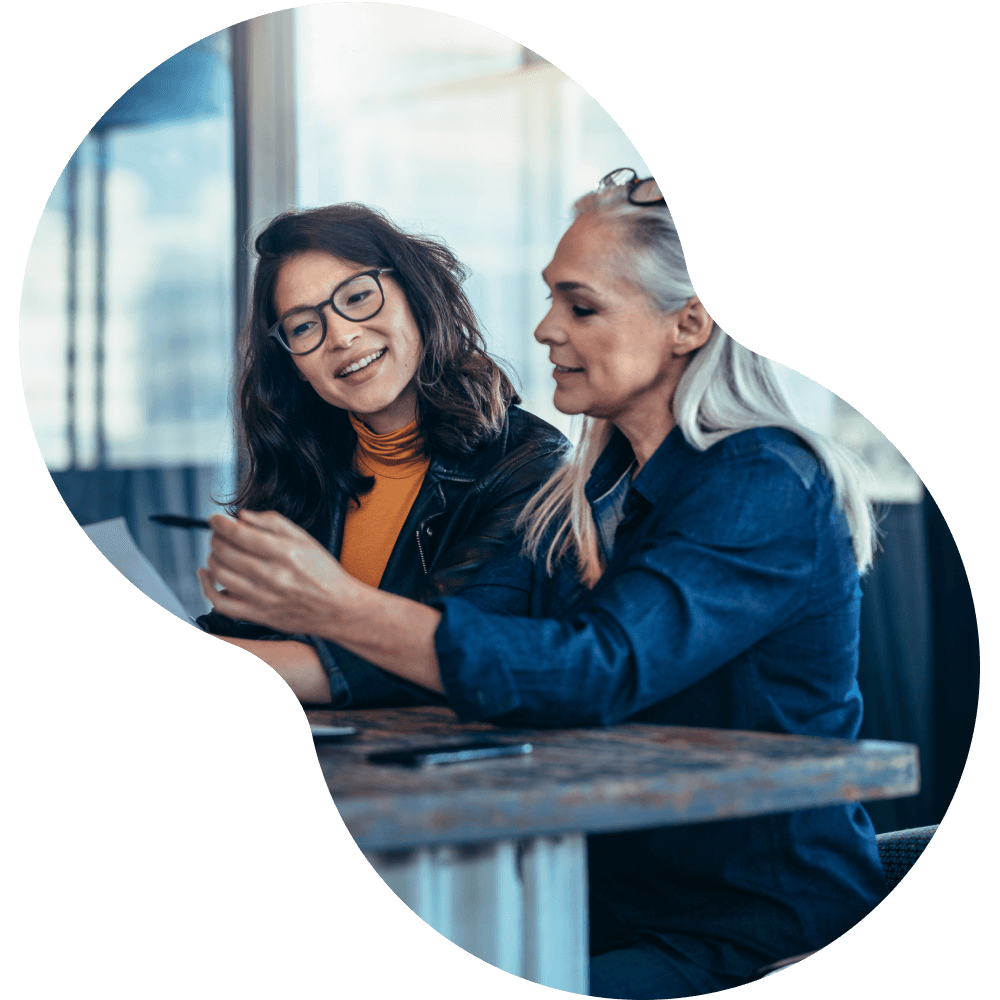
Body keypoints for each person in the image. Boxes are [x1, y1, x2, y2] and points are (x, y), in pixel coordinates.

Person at [198, 171, 887, 998]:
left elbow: (592, 669)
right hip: (611, 899)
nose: (545, 328)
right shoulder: (594, 492)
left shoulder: (764, 481)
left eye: (581, 306)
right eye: (303, 326)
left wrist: (333, 605)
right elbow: (475, 634)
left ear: (689, 322)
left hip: (741, 927)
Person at [197, 203, 570, 707]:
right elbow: (247, 629)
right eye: (304, 326)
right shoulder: (300, 466)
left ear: (415, 294)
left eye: (357, 296)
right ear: (292, 363)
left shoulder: (530, 465)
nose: (343, 337)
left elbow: (444, 656)